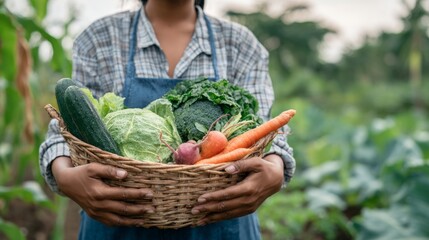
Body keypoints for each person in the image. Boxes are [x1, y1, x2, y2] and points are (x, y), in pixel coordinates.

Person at [39, 0, 295, 239]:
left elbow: (266, 132)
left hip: (220, 223)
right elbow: (66, 132)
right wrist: (64, 176)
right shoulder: (98, 38)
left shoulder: (241, 44)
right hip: (119, 218)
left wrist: (274, 169)